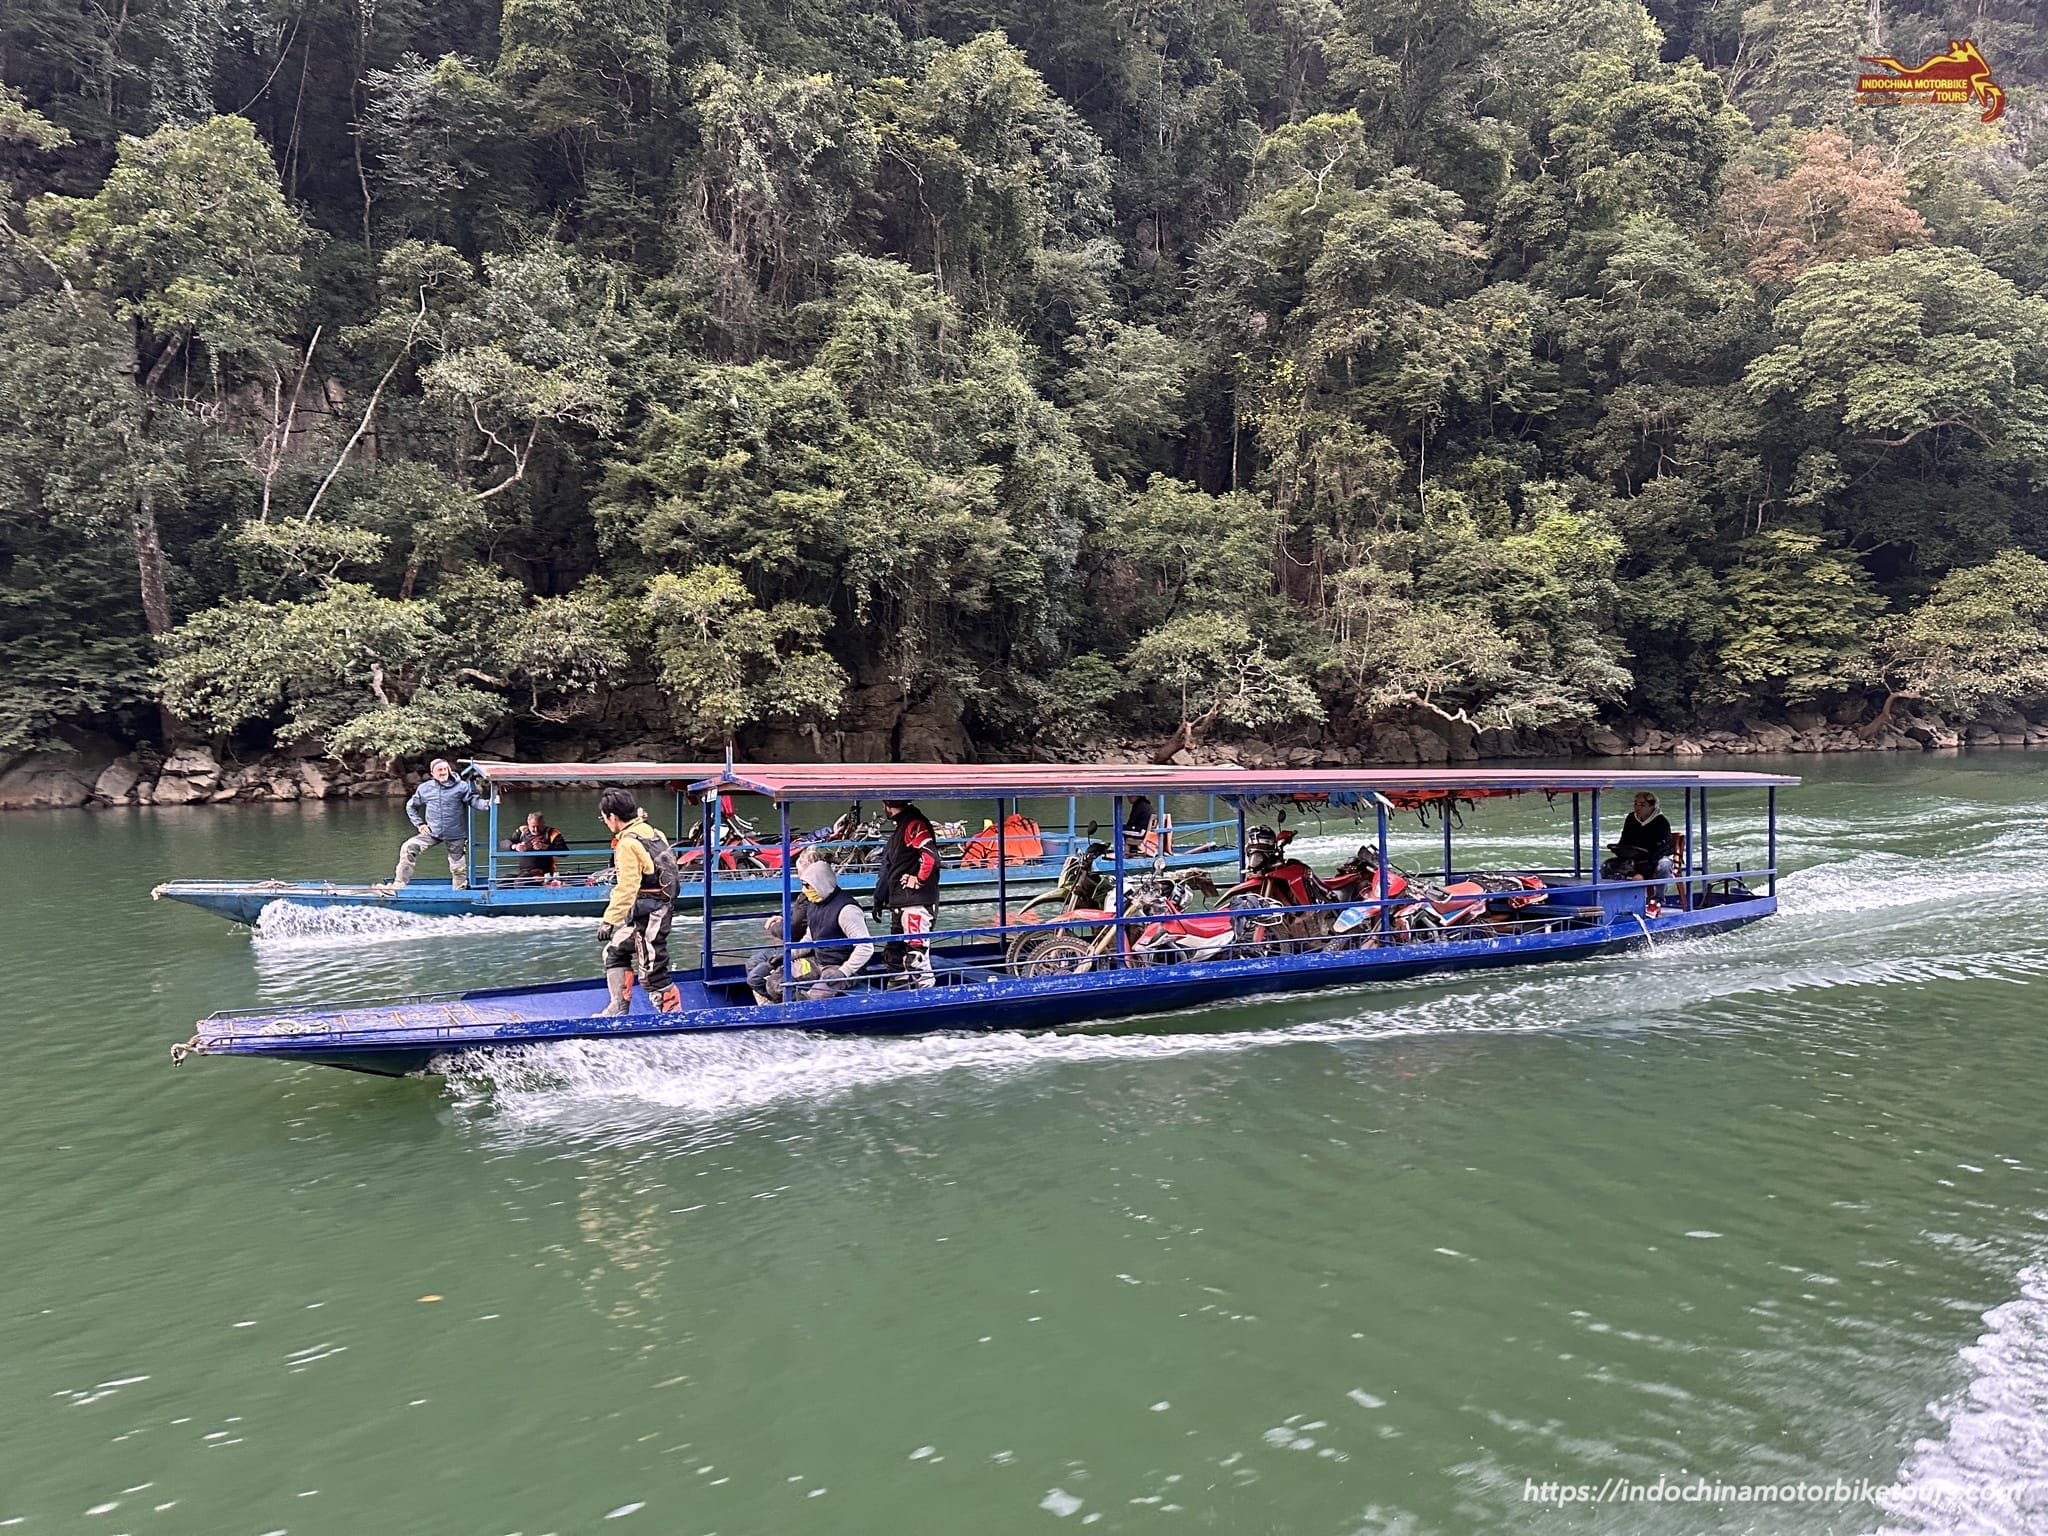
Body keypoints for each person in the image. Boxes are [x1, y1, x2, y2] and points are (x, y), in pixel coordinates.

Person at [596, 787, 682, 1015]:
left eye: (604, 818)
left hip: (652, 915)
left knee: (653, 972)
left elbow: (627, 886)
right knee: (615, 951)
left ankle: (674, 1016)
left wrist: (609, 920)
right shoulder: (654, 833)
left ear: (612, 817)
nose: (605, 822)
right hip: (648, 911)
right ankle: (618, 1008)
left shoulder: (627, 844)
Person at [747, 851, 875, 1004]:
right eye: (804, 885)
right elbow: (809, 938)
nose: (805, 890)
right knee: (775, 982)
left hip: (840, 966)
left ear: (820, 884)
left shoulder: (847, 910)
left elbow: (865, 947)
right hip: (817, 962)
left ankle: (804, 1013)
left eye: (808, 885)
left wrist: (844, 971)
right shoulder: (814, 904)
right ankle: (788, 1010)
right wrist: (789, 955)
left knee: (817, 995)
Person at [380, 759, 479, 891]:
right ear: (433, 773)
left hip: (455, 834)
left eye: (446, 769)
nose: (443, 772)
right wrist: (420, 824)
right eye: (440, 770)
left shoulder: (461, 787)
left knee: (457, 867)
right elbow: (411, 807)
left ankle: (460, 891)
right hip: (432, 832)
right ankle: (399, 883)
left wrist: (489, 804)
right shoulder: (425, 788)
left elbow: (474, 801)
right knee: (408, 847)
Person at [874, 797, 939, 988]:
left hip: (915, 904)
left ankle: (926, 1002)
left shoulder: (913, 824)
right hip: (901, 902)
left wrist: (917, 880)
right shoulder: (903, 825)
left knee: (916, 959)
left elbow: (931, 858)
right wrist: (880, 898)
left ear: (887, 806)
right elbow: (890, 868)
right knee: (894, 956)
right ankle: (898, 996)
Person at [1605, 791, 1675, 884]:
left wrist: (1643, 872)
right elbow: (1624, 839)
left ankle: (1659, 897)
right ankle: (1618, 894)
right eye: (1635, 804)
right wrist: (1620, 850)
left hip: (1656, 857)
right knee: (1608, 865)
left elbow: (1661, 850)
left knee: (1664, 866)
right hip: (1635, 856)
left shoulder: (1661, 822)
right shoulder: (1631, 818)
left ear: (1652, 806)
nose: (1637, 807)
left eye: (1642, 805)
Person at [507, 811, 568, 881]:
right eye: (533, 827)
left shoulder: (552, 833)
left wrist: (546, 847)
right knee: (502, 882)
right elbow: (504, 842)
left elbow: (565, 852)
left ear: (543, 823)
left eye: (539, 827)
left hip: (544, 872)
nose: (536, 830)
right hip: (523, 871)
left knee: (520, 881)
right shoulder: (522, 831)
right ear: (528, 823)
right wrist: (515, 846)